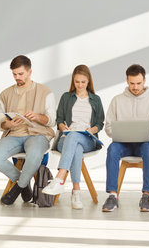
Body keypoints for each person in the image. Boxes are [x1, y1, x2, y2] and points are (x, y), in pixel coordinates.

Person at [0, 55, 56, 205]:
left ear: (29, 72)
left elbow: (52, 120)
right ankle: (24, 184)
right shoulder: (5, 94)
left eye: (20, 74)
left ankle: (17, 189)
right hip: (14, 134)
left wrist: (37, 117)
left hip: (38, 134)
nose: (17, 77)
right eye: (14, 74)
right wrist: (9, 125)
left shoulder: (45, 92)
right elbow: (1, 123)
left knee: (34, 154)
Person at [102, 64, 149, 212]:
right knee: (112, 149)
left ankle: (146, 195)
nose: (135, 87)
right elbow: (108, 127)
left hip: (145, 143)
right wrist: (119, 134)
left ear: (144, 80)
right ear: (127, 81)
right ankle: (112, 195)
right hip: (124, 144)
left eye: (138, 83)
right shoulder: (117, 100)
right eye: (132, 83)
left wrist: (148, 134)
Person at [42, 65, 105, 209]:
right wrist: (63, 127)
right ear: (73, 81)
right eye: (77, 82)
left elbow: (100, 123)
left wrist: (92, 129)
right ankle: (76, 191)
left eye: (83, 82)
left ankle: (60, 178)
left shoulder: (95, 99)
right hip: (66, 139)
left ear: (88, 81)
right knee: (75, 144)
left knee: (76, 138)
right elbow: (59, 120)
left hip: (87, 139)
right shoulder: (66, 97)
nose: (80, 85)